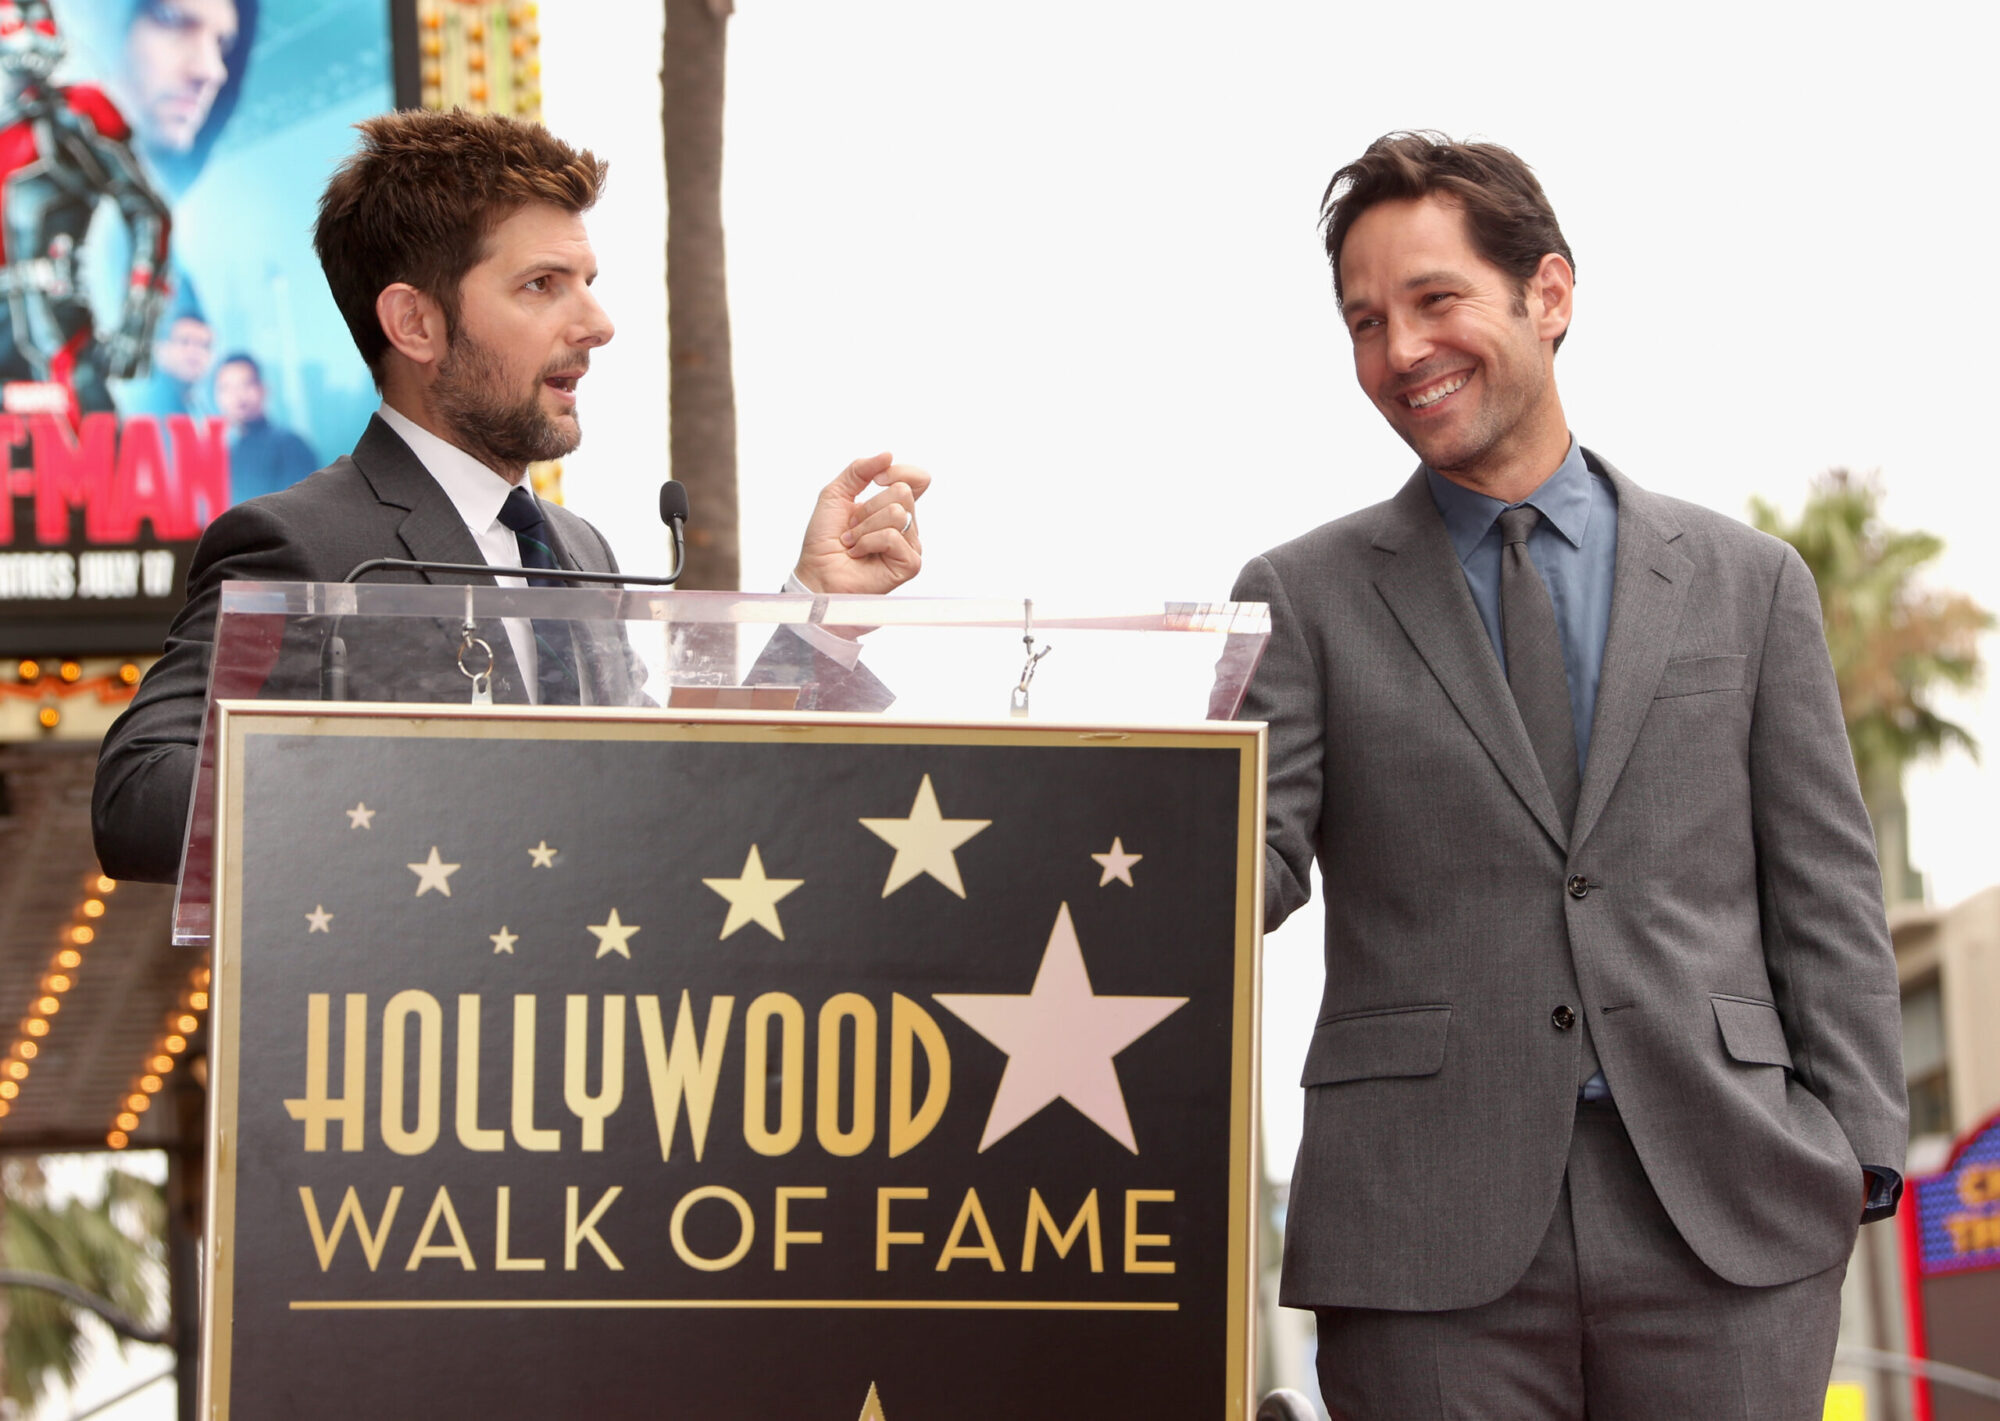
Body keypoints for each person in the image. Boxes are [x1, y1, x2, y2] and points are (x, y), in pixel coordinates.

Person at [1234, 132, 1905, 1419]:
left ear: (1548, 294)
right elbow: (1239, 868)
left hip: (1730, 1218)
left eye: (1434, 300)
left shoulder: (1748, 582)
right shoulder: (1298, 596)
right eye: (1365, 321)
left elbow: (1826, 890)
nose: (1399, 351)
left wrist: (1857, 1159)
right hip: (1423, 1233)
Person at [93, 109, 927, 885]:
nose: (598, 323)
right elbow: (139, 799)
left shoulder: (581, 551)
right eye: (542, 284)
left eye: (588, 280)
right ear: (415, 324)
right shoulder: (300, 544)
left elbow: (674, 787)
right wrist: (418, 783)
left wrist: (822, 613)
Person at [213, 352, 317, 499]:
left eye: (246, 384)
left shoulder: (289, 445)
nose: (238, 395)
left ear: (263, 389)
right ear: (216, 396)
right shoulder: (228, 452)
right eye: (226, 387)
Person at [135, 311, 212, 416]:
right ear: (160, 349)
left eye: (204, 345)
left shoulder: (204, 408)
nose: (195, 352)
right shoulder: (141, 403)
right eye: (185, 342)